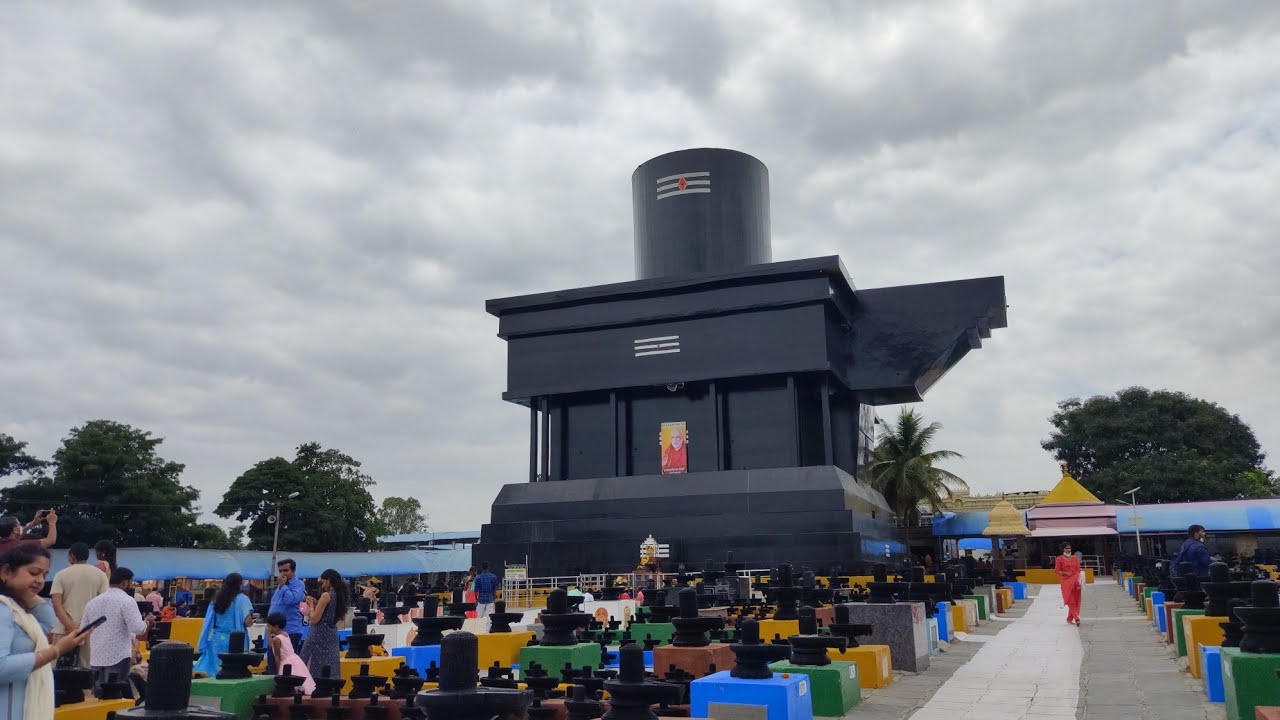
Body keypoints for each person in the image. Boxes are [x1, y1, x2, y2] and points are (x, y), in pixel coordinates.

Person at [0, 544, 95, 719]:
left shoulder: (19, 611)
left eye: (44, 575)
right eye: (33, 573)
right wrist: (56, 650)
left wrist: (29, 594)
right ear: (6, 572)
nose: (41, 580)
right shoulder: (3, 609)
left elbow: (48, 621)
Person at [81, 566, 150, 695]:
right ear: (125, 583)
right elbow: (137, 628)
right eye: (131, 582)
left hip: (96, 656)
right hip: (118, 656)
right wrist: (147, 623)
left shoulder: (92, 602)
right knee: (115, 696)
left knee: (99, 698)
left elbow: (84, 629)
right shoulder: (127, 601)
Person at [50, 542, 109, 667]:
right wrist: (83, 630)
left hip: (63, 630)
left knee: (58, 670)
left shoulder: (61, 575)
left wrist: (72, 628)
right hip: (90, 631)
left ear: (72, 556)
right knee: (86, 672)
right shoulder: (100, 575)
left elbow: (56, 605)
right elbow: (103, 604)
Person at [192, 573, 254, 677]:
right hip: (234, 641)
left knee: (212, 669)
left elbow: (209, 622)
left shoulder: (216, 600)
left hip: (216, 640)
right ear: (239, 585)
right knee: (231, 671)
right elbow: (248, 622)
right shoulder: (242, 599)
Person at [299, 569, 347, 683]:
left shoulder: (326, 595)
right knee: (330, 665)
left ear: (329, 580)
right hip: (331, 635)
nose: (323, 585)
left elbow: (315, 619)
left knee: (310, 663)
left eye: (324, 582)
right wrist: (317, 603)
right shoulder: (339, 595)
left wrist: (311, 605)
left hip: (319, 635)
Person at [266, 612, 315, 693]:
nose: (267, 628)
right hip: (295, 660)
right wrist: (268, 634)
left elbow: (277, 657)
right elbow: (272, 646)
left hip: (285, 663)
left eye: (269, 626)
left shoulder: (276, 639)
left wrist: (279, 673)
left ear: (276, 627)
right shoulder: (285, 634)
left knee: (288, 685)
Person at [1054, 542, 1083, 626]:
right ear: (1063, 549)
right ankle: (1076, 618)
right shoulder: (1059, 559)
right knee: (1071, 601)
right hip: (1066, 581)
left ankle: (1069, 619)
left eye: (1069, 548)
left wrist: (1081, 576)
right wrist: (1065, 573)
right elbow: (1056, 570)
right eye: (1066, 548)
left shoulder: (1074, 558)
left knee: (1076, 600)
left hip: (1075, 581)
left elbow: (1078, 569)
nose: (1068, 550)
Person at [473, 562, 499, 629]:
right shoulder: (493, 577)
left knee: (479, 616)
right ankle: (488, 629)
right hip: (490, 598)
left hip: (481, 599)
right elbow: (494, 589)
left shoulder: (478, 578)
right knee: (489, 616)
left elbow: (476, 590)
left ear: (481, 568)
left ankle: (478, 629)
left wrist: (476, 599)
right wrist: (494, 598)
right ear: (488, 567)